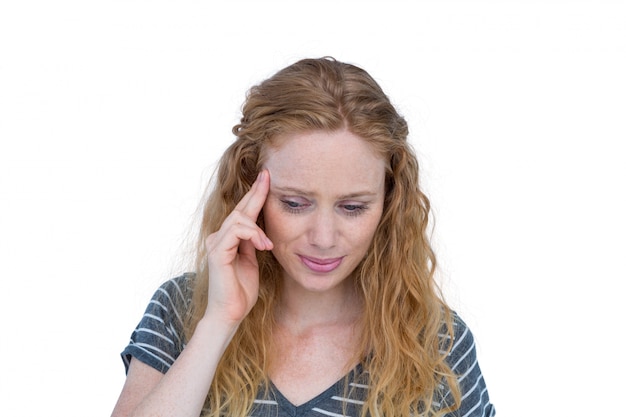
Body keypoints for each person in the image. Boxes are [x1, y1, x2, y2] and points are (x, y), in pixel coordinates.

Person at [111, 57, 495, 417]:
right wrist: (218, 323)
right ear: (250, 191)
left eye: (353, 207)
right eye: (295, 203)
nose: (324, 238)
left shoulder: (440, 344)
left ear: (389, 203)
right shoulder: (181, 312)